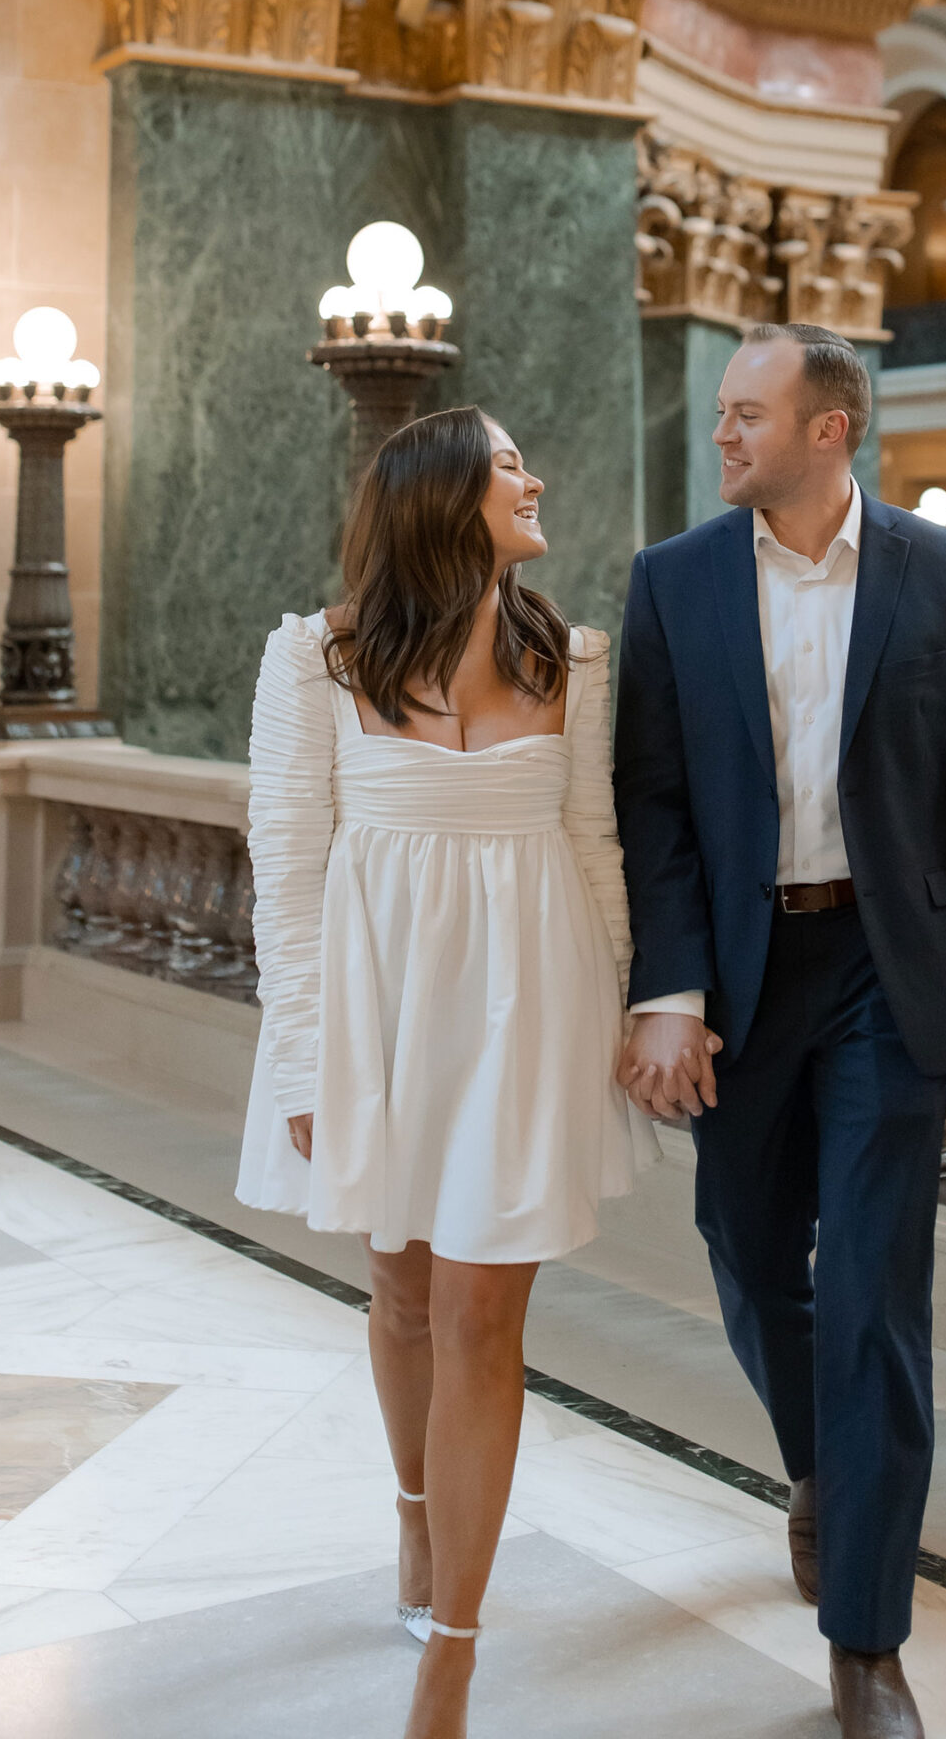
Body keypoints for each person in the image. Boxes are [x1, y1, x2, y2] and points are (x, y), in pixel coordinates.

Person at [614, 322, 946, 1739]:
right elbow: (654, 810)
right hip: (741, 983)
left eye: (748, 414)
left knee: (874, 1297)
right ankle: (824, 1467)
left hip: (887, 970)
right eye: (724, 413)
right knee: (744, 1252)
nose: (723, 434)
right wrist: (668, 994)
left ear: (828, 430)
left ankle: (867, 1640)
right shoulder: (674, 584)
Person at [237, 406, 646, 1739]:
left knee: (481, 1315)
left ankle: (451, 1653)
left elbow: (598, 853)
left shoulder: (575, 659)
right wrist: (301, 1051)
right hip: (380, 1012)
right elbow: (288, 870)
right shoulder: (316, 658)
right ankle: (414, 1516)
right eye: (510, 465)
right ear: (438, 497)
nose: (536, 480)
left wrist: (632, 1013)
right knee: (402, 1290)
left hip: (530, 1014)